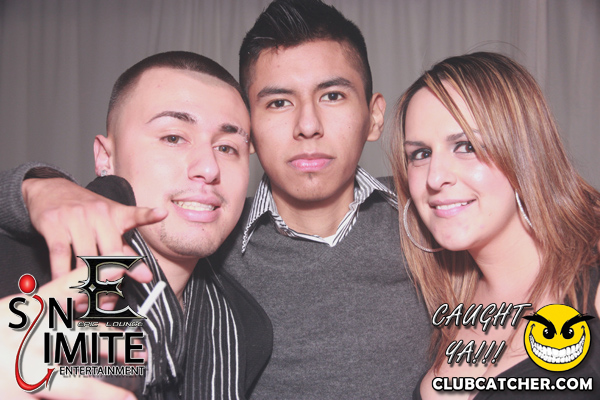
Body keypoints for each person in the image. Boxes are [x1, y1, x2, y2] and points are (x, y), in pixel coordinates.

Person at [1, 0, 430, 397]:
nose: (307, 125)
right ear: (256, 134)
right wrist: (37, 186)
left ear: (374, 116)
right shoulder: (63, 257)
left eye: (332, 96)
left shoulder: (428, 215)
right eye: (173, 137)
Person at [0, 51, 272, 400]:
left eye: (227, 147)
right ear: (106, 158)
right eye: (173, 137)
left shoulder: (246, 329)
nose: (208, 167)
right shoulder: (18, 272)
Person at [389, 52, 600, 399]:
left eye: (466, 146)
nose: (435, 178)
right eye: (421, 154)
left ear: (526, 154)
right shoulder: (440, 300)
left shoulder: (591, 282)